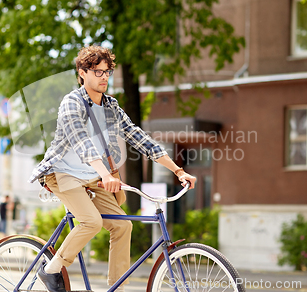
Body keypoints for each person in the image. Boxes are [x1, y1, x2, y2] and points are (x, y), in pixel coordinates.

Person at [29, 45, 196, 292]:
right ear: (82, 73)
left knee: (122, 225)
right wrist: (106, 174)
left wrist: (178, 170)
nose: (104, 76)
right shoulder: (71, 102)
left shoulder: (111, 106)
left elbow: (139, 138)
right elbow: (81, 142)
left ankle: (116, 288)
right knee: (91, 222)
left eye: (107, 72)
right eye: (97, 71)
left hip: (92, 178)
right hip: (62, 174)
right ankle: (51, 269)